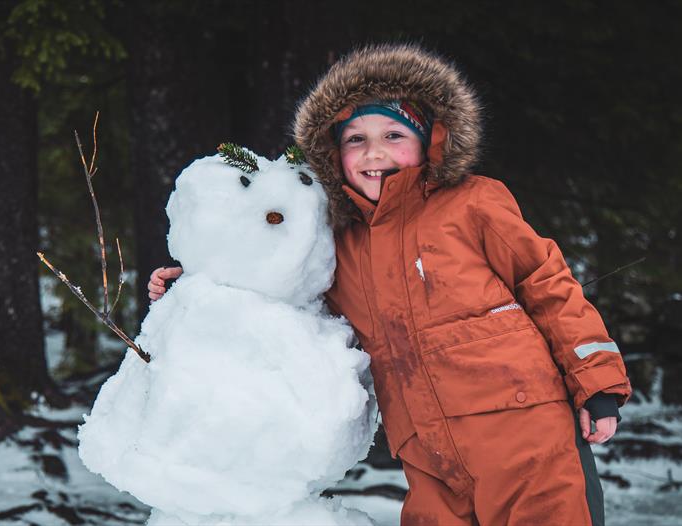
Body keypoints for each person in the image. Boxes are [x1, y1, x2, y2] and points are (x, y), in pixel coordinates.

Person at [148, 43, 631, 526]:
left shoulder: (473, 204)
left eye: (394, 135)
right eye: (355, 139)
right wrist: (200, 292)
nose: (373, 153)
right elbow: (285, 296)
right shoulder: (342, 243)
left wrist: (597, 383)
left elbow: (547, 283)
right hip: (426, 456)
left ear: (430, 141)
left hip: (526, 434)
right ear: (331, 153)